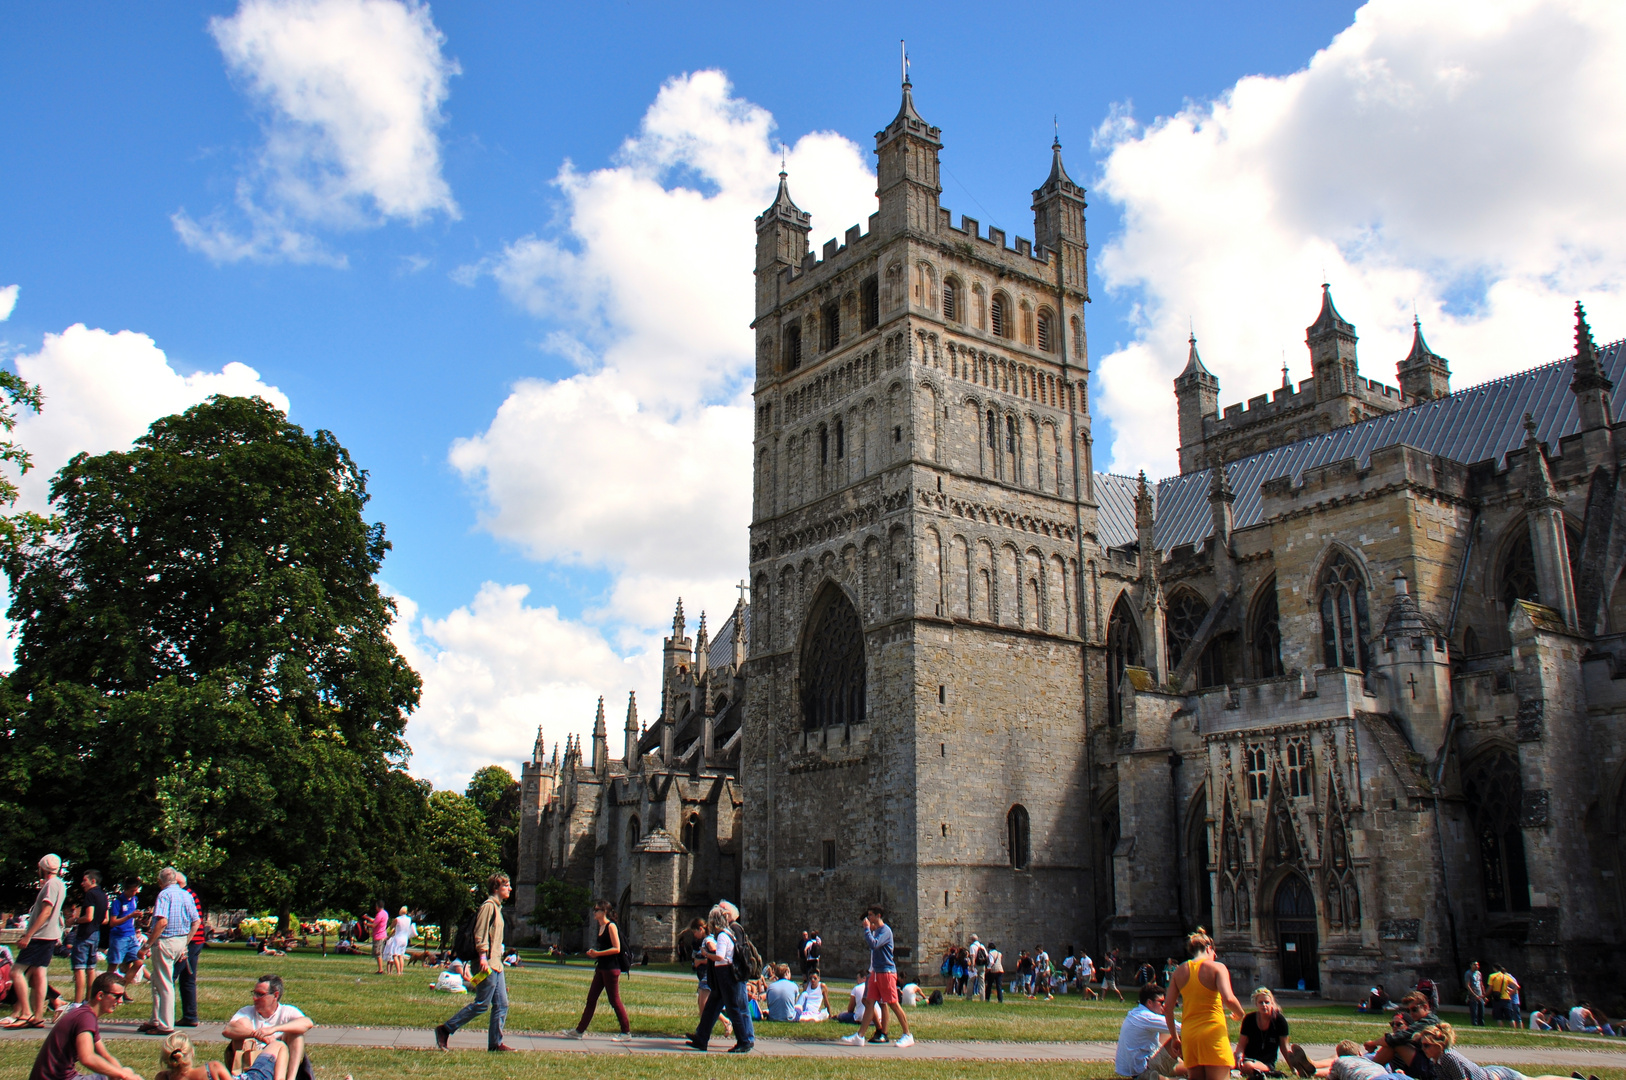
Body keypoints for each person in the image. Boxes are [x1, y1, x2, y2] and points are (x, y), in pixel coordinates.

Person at [434, 873, 514, 1052]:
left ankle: (495, 1043)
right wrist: (483, 957)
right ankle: (445, 1029)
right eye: (506, 885)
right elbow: (480, 933)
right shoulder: (488, 906)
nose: (510, 889)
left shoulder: (498, 908)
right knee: (481, 1004)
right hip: (487, 964)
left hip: (497, 965)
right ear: (496, 888)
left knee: (502, 1004)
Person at [27, 970, 140, 1080]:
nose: (120, 1001)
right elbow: (87, 1058)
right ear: (100, 995)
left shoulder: (86, 1014)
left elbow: (105, 1055)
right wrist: (123, 1075)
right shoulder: (85, 1018)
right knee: (122, 1074)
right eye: (117, 996)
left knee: (125, 1071)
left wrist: (123, 1074)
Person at [1165, 928, 1245, 1080]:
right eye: (1214, 953)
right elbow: (1228, 999)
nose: (1215, 957)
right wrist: (1240, 1013)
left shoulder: (1178, 971)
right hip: (1212, 1032)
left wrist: (1175, 1038)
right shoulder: (1217, 967)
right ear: (1209, 949)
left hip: (1190, 1035)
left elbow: (1168, 1008)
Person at [840, 905, 915, 1048]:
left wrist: (867, 929)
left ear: (878, 916)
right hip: (875, 972)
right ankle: (860, 1036)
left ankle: (907, 1034)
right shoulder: (876, 931)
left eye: (871, 915)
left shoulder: (885, 931)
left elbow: (874, 945)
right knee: (869, 1002)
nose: (869, 918)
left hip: (886, 972)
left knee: (893, 1003)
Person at [8, 853, 67, 1030]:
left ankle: (26, 1012)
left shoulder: (50, 885)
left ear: (42, 868)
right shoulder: (60, 884)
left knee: (16, 972)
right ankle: (38, 1016)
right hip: (50, 936)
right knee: (40, 974)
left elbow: (46, 912)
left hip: (40, 935)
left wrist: (28, 935)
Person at [139, 867, 199, 1036]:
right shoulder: (186, 894)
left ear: (160, 881)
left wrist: (147, 945)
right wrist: (185, 942)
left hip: (165, 941)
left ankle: (165, 1025)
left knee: (164, 983)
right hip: (180, 940)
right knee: (157, 981)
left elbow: (162, 922)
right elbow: (196, 921)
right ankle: (155, 1019)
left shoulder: (164, 895)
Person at [221, 973, 313, 1080]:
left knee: (296, 1035)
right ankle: (243, 1076)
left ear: (275, 995)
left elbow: (307, 1023)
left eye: (260, 994)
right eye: (254, 993)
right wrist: (255, 1034)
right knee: (241, 1026)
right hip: (251, 1061)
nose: (255, 998)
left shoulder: (286, 1011)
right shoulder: (246, 1012)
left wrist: (273, 1029)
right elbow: (228, 1030)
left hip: (280, 1063)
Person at [686, 904, 751, 1053]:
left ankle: (744, 1041)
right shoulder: (725, 934)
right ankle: (701, 1038)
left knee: (733, 1008)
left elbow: (720, 956)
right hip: (721, 975)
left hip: (725, 974)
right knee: (711, 1007)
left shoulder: (722, 935)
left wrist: (706, 954)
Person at [1413, 1022, 1573, 1080]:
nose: (1423, 1049)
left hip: (1496, 1077)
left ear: (1439, 1045)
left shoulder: (1448, 1058)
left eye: (1427, 1045)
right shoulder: (1437, 1060)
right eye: (1422, 1045)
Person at [566, 898, 631, 1040]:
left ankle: (626, 1032)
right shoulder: (600, 927)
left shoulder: (611, 926)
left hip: (611, 968)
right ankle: (579, 1031)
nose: (594, 912)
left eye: (597, 910)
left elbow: (617, 948)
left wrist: (597, 954)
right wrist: (595, 953)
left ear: (604, 911)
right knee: (591, 999)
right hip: (602, 968)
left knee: (614, 1000)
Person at [1116, 981, 1187, 1080]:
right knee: (1183, 1033)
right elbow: (1183, 1028)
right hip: (1144, 1069)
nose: (1164, 1006)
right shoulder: (1148, 1017)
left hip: (1136, 1068)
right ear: (1149, 1002)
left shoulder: (1136, 1013)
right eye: (1161, 1002)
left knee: (1188, 1069)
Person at [1236, 987, 1313, 1078]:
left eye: (1267, 1002)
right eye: (1261, 1002)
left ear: (1272, 1003)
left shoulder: (1279, 1021)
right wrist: (1238, 1057)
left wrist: (1293, 1069)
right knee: (1228, 1062)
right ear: (1256, 1004)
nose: (1264, 1005)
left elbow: (1284, 1047)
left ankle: (1268, 1072)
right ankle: (1260, 1073)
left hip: (1266, 1062)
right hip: (1248, 1058)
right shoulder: (1249, 1019)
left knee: (1248, 1066)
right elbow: (1241, 1045)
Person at [687, 918, 733, 1043]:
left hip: (708, 976)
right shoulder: (708, 939)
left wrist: (701, 960)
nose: (695, 936)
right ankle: (700, 1033)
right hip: (706, 976)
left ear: (701, 929)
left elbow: (716, 957)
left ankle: (725, 1022)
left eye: (695, 932)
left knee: (706, 1007)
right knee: (703, 1007)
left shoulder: (708, 940)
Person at [69, 868, 110, 1007]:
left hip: (85, 934)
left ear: (93, 881)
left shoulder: (90, 895)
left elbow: (88, 917)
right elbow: (105, 919)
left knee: (79, 968)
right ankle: (89, 999)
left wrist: (74, 920)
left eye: (84, 880)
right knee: (91, 968)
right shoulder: (103, 895)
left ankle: (77, 1002)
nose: (82, 883)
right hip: (96, 933)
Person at [176, 874, 206, 1028]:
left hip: (191, 941)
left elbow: (194, 920)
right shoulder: (190, 894)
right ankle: (190, 1015)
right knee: (187, 979)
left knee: (171, 976)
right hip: (196, 940)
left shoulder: (186, 895)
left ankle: (162, 1019)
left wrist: (185, 943)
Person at [108, 878, 144, 982]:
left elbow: (132, 915)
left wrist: (137, 916)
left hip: (131, 935)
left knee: (138, 962)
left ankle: (123, 987)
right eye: (132, 890)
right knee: (114, 964)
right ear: (125, 890)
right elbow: (113, 922)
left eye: (135, 890)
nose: (134, 893)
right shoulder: (117, 902)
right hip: (119, 937)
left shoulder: (134, 900)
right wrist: (129, 916)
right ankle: (107, 987)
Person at [386, 907, 414, 976]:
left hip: (398, 938)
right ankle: (401, 971)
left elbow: (391, 927)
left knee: (395, 955)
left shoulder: (397, 919)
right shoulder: (409, 919)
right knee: (401, 956)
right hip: (405, 938)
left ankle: (398, 971)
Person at [1464, 962, 1485, 1028]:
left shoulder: (1479, 973)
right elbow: (1467, 985)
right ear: (1471, 965)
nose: (1476, 966)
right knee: (1474, 1011)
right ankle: (1474, 1024)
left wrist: (1484, 994)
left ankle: (1481, 1024)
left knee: (1481, 1011)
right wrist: (1473, 994)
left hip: (1480, 994)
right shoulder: (1468, 973)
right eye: (1474, 965)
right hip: (1473, 995)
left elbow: (1481, 984)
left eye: (1477, 965)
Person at [371, 902, 388, 975]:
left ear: (377, 906)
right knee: (378, 953)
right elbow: (376, 921)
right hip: (382, 935)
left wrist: (366, 924)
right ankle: (380, 969)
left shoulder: (379, 914)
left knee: (378, 953)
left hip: (379, 936)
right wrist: (368, 918)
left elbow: (374, 925)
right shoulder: (385, 913)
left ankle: (380, 970)